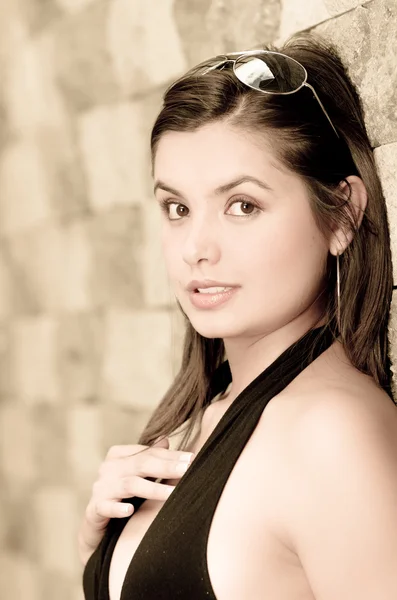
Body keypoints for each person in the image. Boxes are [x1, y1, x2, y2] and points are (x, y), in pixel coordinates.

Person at [79, 32, 397, 600]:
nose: (196, 247)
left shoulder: (333, 435)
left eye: (242, 206)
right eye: (177, 208)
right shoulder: (206, 414)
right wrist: (96, 551)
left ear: (343, 216)